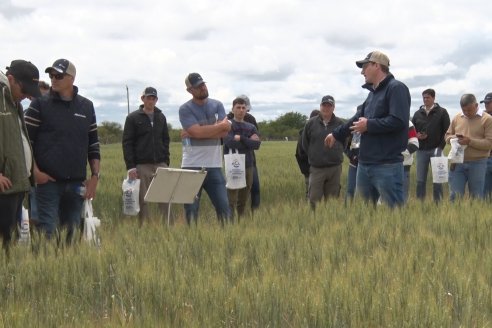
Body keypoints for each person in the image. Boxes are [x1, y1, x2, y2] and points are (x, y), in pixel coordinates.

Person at [25, 59, 101, 242]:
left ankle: (68, 269)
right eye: (51, 75)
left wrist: (94, 177)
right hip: (47, 184)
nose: (53, 79)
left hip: (76, 184)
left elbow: (93, 144)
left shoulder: (86, 106)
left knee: (72, 235)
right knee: (47, 235)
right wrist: (35, 172)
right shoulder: (39, 105)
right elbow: (26, 142)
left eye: (58, 75)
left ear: (71, 79)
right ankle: (44, 270)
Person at [325, 50, 410, 208]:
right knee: (364, 215)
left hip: (387, 165)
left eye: (365, 67)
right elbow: (356, 120)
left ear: (376, 65)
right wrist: (336, 134)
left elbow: (398, 121)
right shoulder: (372, 94)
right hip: (364, 165)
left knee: (395, 214)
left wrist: (369, 125)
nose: (362, 72)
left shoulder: (396, 88)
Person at [179, 72, 231, 225]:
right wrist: (216, 128)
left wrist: (197, 132)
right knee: (191, 210)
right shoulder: (185, 109)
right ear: (190, 90)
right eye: (198, 86)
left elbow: (225, 132)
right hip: (191, 166)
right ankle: (193, 243)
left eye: (203, 84)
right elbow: (198, 132)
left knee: (224, 207)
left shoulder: (217, 104)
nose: (202, 88)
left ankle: (226, 241)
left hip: (214, 166)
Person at [0, 60, 41, 253]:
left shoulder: (14, 101)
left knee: (11, 241)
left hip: (17, 183)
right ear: (11, 79)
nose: (27, 96)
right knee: (4, 243)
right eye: (24, 90)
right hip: (4, 186)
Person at [122, 87, 170, 224]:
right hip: (142, 165)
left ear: (156, 100)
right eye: (148, 97)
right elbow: (127, 143)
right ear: (143, 99)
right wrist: (131, 167)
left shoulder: (161, 117)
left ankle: (168, 228)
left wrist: (166, 161)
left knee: (165, 199)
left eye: (153, 98)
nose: (151, 100)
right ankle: (145, 229)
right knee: (143, 200)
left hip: (160, 164)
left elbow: (165, 139)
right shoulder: (132, 118)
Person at [445, 94, 492, 201]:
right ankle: (454, 217)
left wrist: (469, 141)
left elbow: (489, 144)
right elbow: (447, 136)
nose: (466, 113)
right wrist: (453, 138)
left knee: (476, 197)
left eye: (469, 110)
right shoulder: (457, 118)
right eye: (464, 110)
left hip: (478, 163)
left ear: (476, 105)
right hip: (457, 163)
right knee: (454, 197)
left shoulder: (487, 119)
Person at [302, 95, 345, 208]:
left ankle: (331, 224)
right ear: (320, 106)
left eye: (329, 106)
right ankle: (313, 223)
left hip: (334, 169)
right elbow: (305, 144)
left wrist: (334, 154)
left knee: (332, 202)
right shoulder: (310, 123)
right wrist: (315, 155)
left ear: (333, 108)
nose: (326, 108)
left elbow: (344, 143)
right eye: (324, 105)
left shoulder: (340, 124)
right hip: (317, 169)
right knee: (313, 201)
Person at [224, 97, 261, 220]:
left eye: (243, 108)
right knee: (232, 197)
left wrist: (241, 138)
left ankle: (240, 221)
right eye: (238, 107)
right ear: (233, 109)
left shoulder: (251, 126)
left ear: (246, 110)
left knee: (244, 197)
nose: (241, 110)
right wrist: (248, 141)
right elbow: (229, 142)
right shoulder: (228, 125)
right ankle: (230, 222)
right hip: (233, 164)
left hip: (248, 164)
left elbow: (256, 145)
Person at [411, 89, 450, 202]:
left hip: (436, 150)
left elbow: (446, 131)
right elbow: (412, 131)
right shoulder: (417, 114)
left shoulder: (442, 112)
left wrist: (440, 147)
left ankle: (438, 204)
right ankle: (420, 204)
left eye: (427, 97)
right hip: (421, 150)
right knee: (420, 180)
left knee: (438, 179)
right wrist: (417, 136)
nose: (425, 99)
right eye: (424, 97)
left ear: (433, 98)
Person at [295, 109, 320, 199]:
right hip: (311, 169)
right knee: (311, 194)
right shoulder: (304, 135)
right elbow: (300, 154)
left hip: (312, 169)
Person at [343, 104, 363, 202]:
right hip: (354, 165)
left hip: (367, 165)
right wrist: (352, 157)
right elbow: (345, 147)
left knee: (364, 192)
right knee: (350, 190)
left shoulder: (370, 128)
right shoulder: (351, 130)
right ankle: (347, 210)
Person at [403, 121, 419, 201]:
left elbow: (414, 145)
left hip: (403, 168)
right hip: (380, 167)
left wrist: (395, 155)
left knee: (402, 202)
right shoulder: (378, 122)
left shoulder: (408, 124)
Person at [480, 92, 492, 199]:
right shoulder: (481, 118)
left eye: (489, 102)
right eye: (485, 103)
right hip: (486, 157)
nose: (486, 105)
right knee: (485, 192)